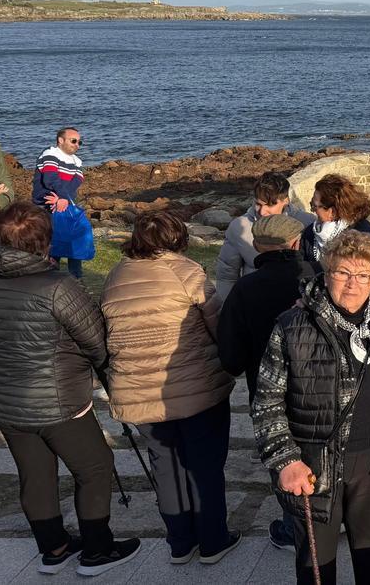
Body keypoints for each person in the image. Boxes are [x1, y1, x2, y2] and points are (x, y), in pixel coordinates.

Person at [0, 202, 141, 576]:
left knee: (34, 474)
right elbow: (95, 342)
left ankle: (54, 548)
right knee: (96, 468)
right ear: (44, 242)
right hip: (59, 401)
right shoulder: (58, 286)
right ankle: (97, 550)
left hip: (3, 400)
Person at [252, 230, 370, 583]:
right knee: (316, 562)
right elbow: (266, 402)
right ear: (326, 275)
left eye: (363, 275)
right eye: (342, 272)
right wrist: (285, 460)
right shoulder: (292, 326)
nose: (352, 284)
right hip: (313, 467)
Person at [101, 210, 239, 564]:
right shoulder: (186, 271)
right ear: (178, 238)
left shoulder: (117, 275)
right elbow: (218, 326)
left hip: (139, 390)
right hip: (195, 386)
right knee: (204, 465)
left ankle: (180, 542)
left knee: (165, 466)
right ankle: (213, 540)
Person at [217, 213, 315, 551]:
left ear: (257, 248)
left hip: (267, 385)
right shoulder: (317, 276)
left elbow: (230, 355)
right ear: (295, 243)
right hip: (318, 384)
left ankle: (294, 525)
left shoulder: (245, 289)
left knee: (282, 453)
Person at [215, 171, 315, 301]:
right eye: (258, 204)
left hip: (299, 305)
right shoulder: (239, 227)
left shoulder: (307, 223)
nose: (262, 211)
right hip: (255, 304)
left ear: (285, 201)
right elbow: (226, 275)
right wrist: (229, 309)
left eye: (270, 205)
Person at [33, 127, 89, 278]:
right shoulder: (50, 154)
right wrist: (62, 198)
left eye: (79, 142)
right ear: (60, 140)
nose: (77, 144)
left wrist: (64, 199)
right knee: (52, 247)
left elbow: (74, 183)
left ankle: (76, 280)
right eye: (73, 141)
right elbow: (50, 179)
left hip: (65, 205)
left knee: (73, 247)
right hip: (45, 205)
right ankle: (47, 279)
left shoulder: (77, 162)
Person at [300, 173, 370, 269]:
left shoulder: (363, 236)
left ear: (333, 212)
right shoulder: (310, 233)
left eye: (314, 206)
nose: (312, 210)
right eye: (311, 204)